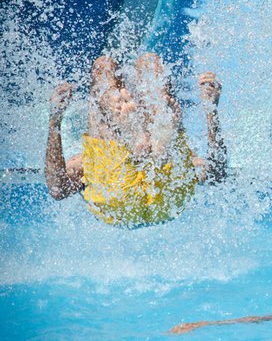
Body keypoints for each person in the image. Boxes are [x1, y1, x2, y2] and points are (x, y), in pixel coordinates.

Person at [45, 53, 227, 228]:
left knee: (103, 67)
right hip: (168, 200)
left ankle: (138, 142)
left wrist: (55, 119)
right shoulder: (188, 158)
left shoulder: (87, 160)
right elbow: (217, 174)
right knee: (151, 64)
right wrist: (211, 112)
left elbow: (57, 188)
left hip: (116, 202)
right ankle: (156, 145)